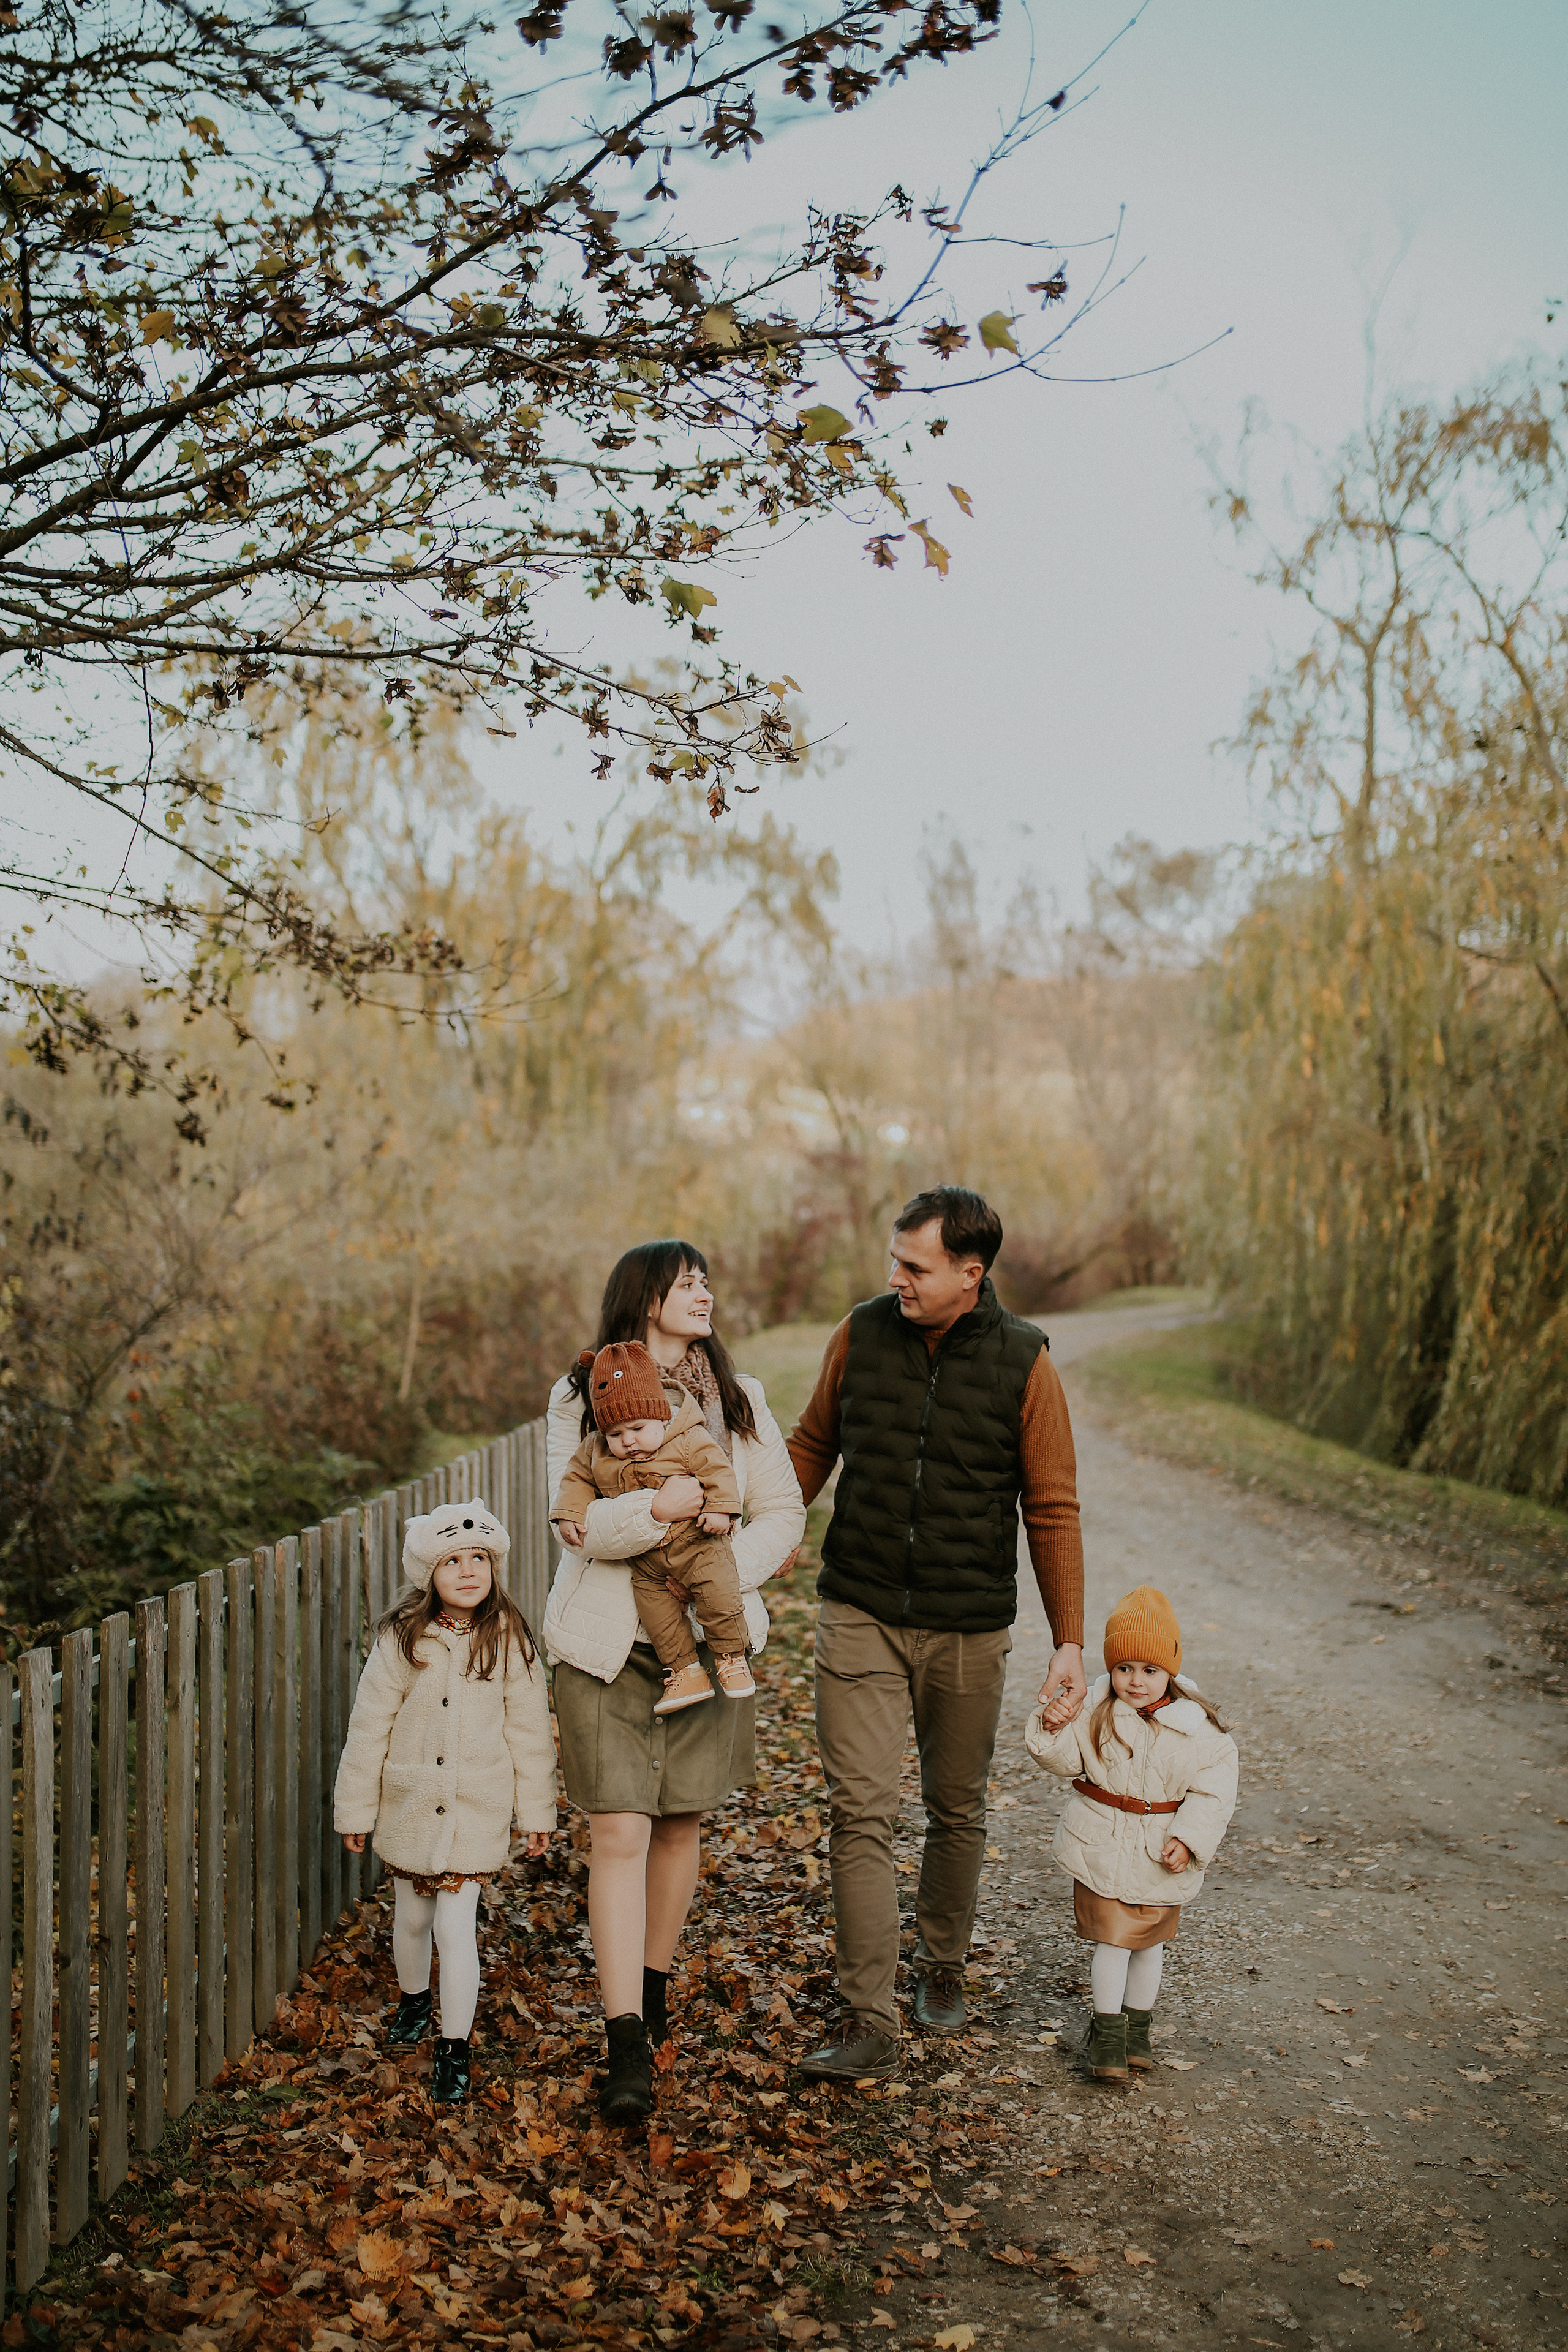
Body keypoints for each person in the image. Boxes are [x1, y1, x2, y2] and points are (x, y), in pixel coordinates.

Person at [787, 1184, 1088, 2081]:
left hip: (967, 1625)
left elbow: (1052, 1505)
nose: (897, 1278)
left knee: (955, 1807)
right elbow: (811, 1443)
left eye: (915, 1266)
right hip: (860, 1609)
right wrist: (765, 1533)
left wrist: (1069, 1640)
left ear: (970, 1272)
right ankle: (868, 2017)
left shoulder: (1025, 1360)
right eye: (895, 1260)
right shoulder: (860, 1334)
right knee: (860, 1813)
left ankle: (942, 1963)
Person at [545, 1242, 805, 2124]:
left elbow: (783, 1512)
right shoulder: (578, 1395)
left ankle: (652, 1991)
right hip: (607, 1645)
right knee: (619, 1829)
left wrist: (714, 1580)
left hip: (705, 1635)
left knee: (680, 1822)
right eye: (686, 1281)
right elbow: (572, 1524)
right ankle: (623, 2040)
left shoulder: (738, 1396)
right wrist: (653, 1511)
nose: (704, 1292)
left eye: (706, 1280)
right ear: (643, 1296)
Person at [334, 1500, 558, 2105]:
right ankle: (413, 2002)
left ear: (494, 1565)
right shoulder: (402, 1638)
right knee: (412, 1919)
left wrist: (537, 1811)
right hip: (410, 1803)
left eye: (479, 1557)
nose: (468, 1570)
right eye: (452, 1560)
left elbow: (529, 1730)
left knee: (455, 1927)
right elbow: (370, 1726)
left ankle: (454, 2048)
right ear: (428, 1571)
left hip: (475, 1806)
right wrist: (355, 1808)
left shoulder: (509, 1637)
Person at [1025, 1584, 1238, 2081]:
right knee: (1113, 1942)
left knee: (1149, 1945)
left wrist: (1189, 1839)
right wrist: (1054, 1725)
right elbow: (1064, 1761)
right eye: (1124, 1668)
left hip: (1158, 1851)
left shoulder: (1199, 1729)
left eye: (1149, 1670)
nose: (1136, 1681)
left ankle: (1137, 2033)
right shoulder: (1095, 1709)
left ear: (1170, 1671)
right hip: (1101, 1845)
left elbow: (1214, 1792)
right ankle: (1107, 2038)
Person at [552, 1339, 755, 1715]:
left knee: (719, 1595)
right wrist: (569, 1512)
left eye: (637, 1428)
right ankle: (685, 1672)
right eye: (615, 1434)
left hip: (698, 1544)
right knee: (656, 1613)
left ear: (662, 1417)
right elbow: (576, 1479)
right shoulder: (595, 1451)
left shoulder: (688, 1440)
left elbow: (718, 1472)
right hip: (647, 1561)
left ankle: (731, 1656)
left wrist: (721, 1510)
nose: (628, 1441)